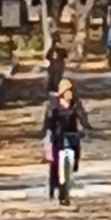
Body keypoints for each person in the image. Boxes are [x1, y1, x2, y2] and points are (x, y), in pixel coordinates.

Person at [42, 67, 90, 203]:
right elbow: (48, 122)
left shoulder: (75, 105)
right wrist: (47, 133)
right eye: (67, 91)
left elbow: (82, 118)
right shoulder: (53, 105)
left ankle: (65, 190)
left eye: (71, 91)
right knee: (55, 164)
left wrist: (86, 128)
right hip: (57, 138)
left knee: (71, 163)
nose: (69, 94)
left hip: (72, 137)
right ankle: (54, 188)